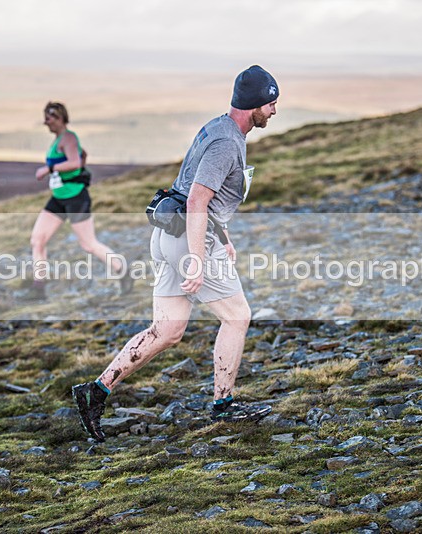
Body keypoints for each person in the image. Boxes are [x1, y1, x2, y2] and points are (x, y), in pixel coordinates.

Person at [73, 66, 279, 442]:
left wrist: (224, 236)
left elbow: (197, 193)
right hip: (188, 239)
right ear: (255, 104)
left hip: (168, 237)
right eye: (271, 103)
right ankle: (224, 406)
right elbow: (199, 199)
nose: (274, 111)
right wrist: (199, 259)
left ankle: (96, 391)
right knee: (237, 317)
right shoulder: (226, 143)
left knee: (166, 330)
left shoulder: (217, 128)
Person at [26, 102, 132, 300]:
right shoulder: (58, 140)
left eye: (49, 117)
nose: (46, 122)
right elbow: (80, 159)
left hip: (75, 198)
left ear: (60, 118)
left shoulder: (68, 138)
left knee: (89, 244)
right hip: (58, 199)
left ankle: (124, 271)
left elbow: (74, 161)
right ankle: (38, 289)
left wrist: (48, 169)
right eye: (45, 117)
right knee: (37, 240)